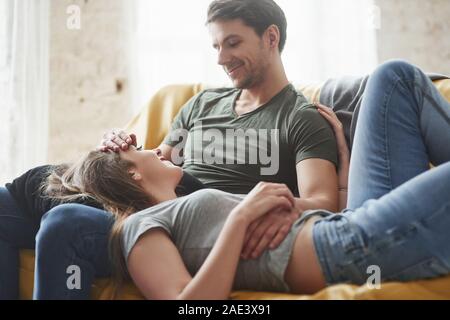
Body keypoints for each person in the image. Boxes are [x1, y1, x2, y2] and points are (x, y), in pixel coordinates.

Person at [2, 0, 340, 299]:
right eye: (216, 46)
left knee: (65, 219)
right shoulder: (203, 104)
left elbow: (324, 204)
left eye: (233, 43)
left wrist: (251, 210)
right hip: (145, 204)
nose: (222, 58)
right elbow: (156, 166)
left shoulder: (301, 119)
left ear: (271, 37)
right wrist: (114, 150)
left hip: (189, 226)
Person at [42, 60, 450, 299]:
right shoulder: (136, 228)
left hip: (346, 223)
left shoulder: (182, 202)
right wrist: (239, 221)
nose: (154, 148)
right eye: (142, 153)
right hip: (347, 248)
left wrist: (343, 155)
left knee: (394, 76)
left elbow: (332, 206)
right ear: (132, 173)